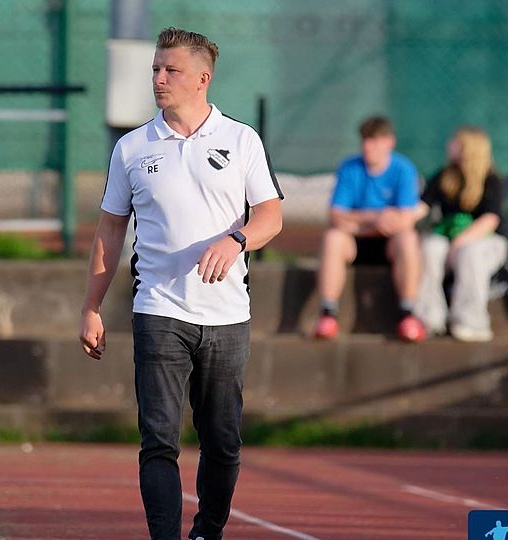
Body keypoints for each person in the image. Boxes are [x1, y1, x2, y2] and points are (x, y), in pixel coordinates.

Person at [79, 27, 283, 540]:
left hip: (227, 316)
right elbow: (109, 230)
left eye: (170, 70)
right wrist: (91, 306)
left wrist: (236, 240)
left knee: (222, 442)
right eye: (155, 69)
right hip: (158, 310)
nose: (159, 78)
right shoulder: (131, 148)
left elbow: (271, 216)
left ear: (202, 79)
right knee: (158, 441)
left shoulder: (241, 140)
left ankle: (207, 530)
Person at [313, 116, 426, 342]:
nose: (367, 146)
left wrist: (357, 222)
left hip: (389, 245)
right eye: (365, 140)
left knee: (408, 239)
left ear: (389, 142)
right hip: (357, 243)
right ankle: (328, 314)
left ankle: (407, 313)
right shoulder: (349, 167)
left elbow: (405, 219)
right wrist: (376, 218)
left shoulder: (403, 168)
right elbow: (336, 215)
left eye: (374, 140)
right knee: (333, 238)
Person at [413, 126, 507, 342]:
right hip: (449, 240)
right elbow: (422, 207)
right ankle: (429, 317)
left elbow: (490, 220)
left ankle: (471, 321)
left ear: (469, 148)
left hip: (486, 242)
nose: (449, 145)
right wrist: (397, 218)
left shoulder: (491, 179)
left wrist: (460, 242)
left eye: (455, 142)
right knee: (429, 248)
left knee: (470, 253)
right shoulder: (444, 176)